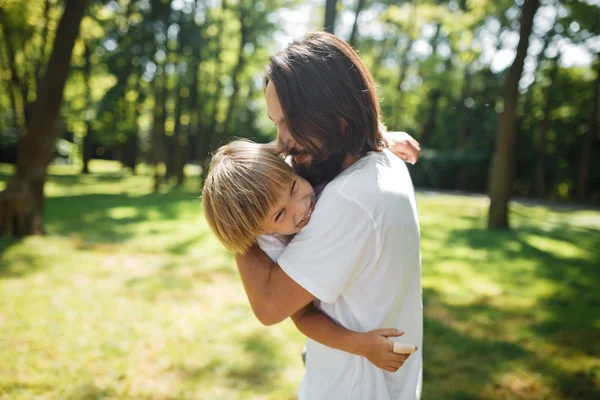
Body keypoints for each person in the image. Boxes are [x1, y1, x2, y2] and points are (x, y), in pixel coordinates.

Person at [234, 32, 422, 399]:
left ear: (337, 114)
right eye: (276, 123)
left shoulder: (351, 200)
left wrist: (237, 227)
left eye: (290, 123)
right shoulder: (380, 161)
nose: (282, 141)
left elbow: (270, 306)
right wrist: (380, 132)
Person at [202, 139, 416, 373]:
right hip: (334, 346)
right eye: (280, 214)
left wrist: (379, 139)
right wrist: (359, 344)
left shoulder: (301, 176)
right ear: (263, 230)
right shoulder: (271, 242)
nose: (300, 207)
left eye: (293, 187)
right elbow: (303, 316)